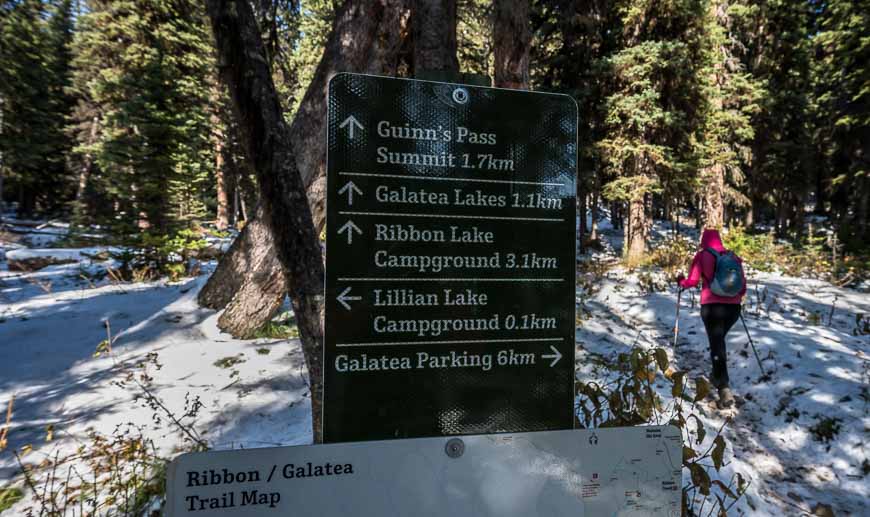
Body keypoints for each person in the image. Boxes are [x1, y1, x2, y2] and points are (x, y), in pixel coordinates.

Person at [676, 228, 746, 408]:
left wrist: (680, 281)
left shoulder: (702, 256)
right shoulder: (733, 257)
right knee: (719, 342)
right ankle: (717, 377)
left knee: (717, 344)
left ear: (704, 240)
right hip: (733, 309)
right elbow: (742, 287)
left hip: (712, 307)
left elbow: (691, 282)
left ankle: (723, 389)